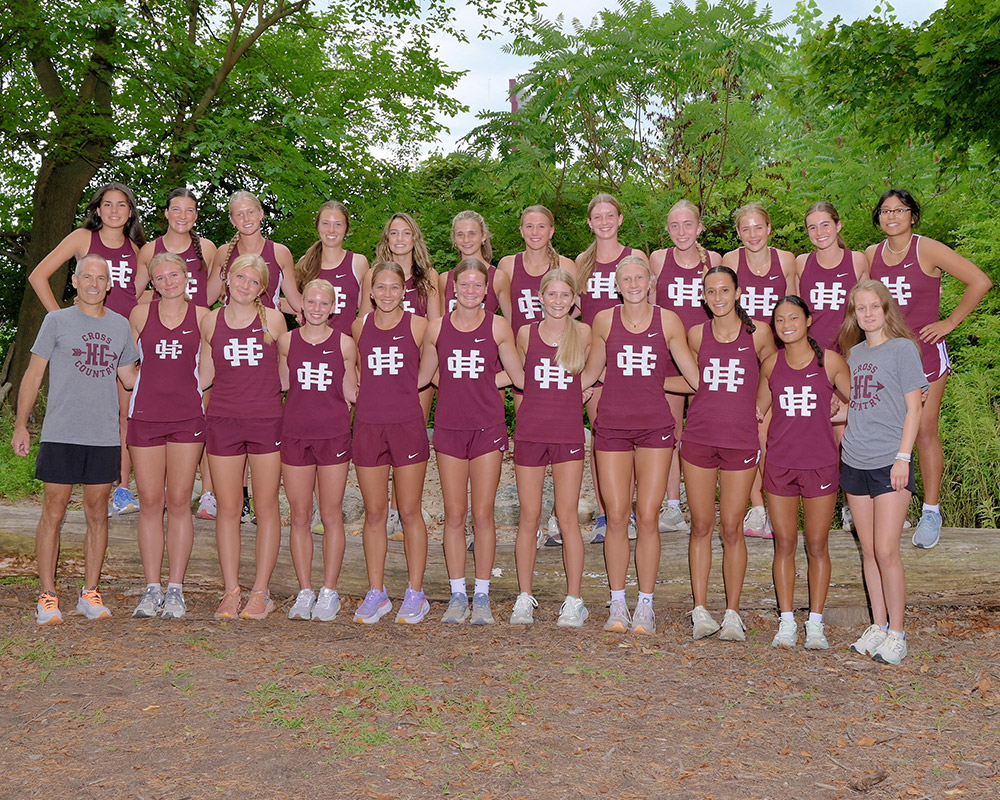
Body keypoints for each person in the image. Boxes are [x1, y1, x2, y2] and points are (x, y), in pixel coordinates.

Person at [12, 254, 139, 624]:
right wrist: (22, 424)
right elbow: (34, 375)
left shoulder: (120, 326)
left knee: (98, 512)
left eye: (101, 278)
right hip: (62, 431)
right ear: (76, 281)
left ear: (109, 284)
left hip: (102, 434)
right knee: (54, 510)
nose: (94, 284)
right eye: (87, 277)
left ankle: (90, 593)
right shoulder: (56, 321)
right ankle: (48, 596)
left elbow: (129, 378)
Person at [579, 255, 699, 635]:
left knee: (647, 516)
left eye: (639, 278)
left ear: (650, 282)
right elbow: (590, 373)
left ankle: (645, 604)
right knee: (616, 516)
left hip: (655, 428)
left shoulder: (668, 321)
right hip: (612, 425)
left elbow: (695, 379)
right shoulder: (603, 321)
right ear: (617, 285)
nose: (632, 284)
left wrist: (654, 384)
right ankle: (617, 603)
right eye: (625, 278)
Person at [866, 189, 992, 549]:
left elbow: (980, 281)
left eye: (900, 210)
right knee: (888, 434)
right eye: (885, 211)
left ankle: (931, 510)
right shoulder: (873, 254)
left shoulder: (928, 249)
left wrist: (950, 322)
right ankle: (894, 508)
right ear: (878, 218)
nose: (892, 216)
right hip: (885, 358)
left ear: (913, 216)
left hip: (924, 357)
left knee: (923, 430)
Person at [27, 182, 147, 515]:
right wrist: (61, 321)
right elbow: (39, 276)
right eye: (106, 204)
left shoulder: (138, 249)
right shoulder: (82, 238)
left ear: (130, 212)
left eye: (121, 205)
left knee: (124, 418)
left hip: (123, 340)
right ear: (96, 209)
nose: (113, 211)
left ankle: (121, 490)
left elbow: (139, 295)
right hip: (85, 341)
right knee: (80, 412)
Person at [418, 258, 524, 625]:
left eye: (478, 285)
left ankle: (482, 594)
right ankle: (457, 593)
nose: (470, 290)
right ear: (453, 289)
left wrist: (479, 382)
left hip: (487, 426)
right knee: (454, 514)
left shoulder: (498, 327)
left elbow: (518, 377)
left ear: (486, 291)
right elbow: (425, 376)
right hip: (448, 427)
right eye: (464, 284)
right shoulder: (436, 327)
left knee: (482, 513)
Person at [682, 266, 776, 641]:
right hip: (699, 438)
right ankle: (701, 609)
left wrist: (762, 404)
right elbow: (686, 376)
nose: (718, 297)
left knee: (732, 528)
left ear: (737, 292)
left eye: (724, 290)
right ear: (703, 296)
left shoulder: (759, 334)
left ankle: (733, 612)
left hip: (740, 439)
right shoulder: (694, 334)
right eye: (711, 291)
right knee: (702, 525)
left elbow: (774, 369)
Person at [838, 280, 927, 665]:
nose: (868, 314)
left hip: (891, 461)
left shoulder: (903, 350)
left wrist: (903, 458)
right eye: (861, 309)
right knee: (869, 549)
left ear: (886, 309)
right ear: (855, 314)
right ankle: (877, 624)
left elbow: (913, 409)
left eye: (874, 307)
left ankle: (897, 632)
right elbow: (858, 404)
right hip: (855, 458)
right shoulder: (853, 354)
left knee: (888, 550)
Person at [757, 296, 850, 649]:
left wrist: (840, 412)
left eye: (793, 317)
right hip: (780, 464)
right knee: (785, 543)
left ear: (809, 320)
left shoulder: (830, 362)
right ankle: (785, 622)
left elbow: (859, 401)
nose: (786, 324)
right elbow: (758, 412)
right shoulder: (771, 364)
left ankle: (815, 623)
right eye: (779, 320)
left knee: (816, 544)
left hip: (821, 464)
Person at [199, 253, 288, 619]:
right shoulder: (210, 321)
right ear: (228, 279)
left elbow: (287, 375)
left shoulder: (276, 321)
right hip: (223, 420)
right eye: (240, 278)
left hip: (267, 420)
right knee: (228, 508)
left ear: (262, 289)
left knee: (266, 507)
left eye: (254, 282)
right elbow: (203, 377)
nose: (245, 285)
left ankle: (261, 592)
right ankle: (231, 590)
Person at [127, 253, 209, 619]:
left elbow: (210, 369)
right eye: (160, 277)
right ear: (152, 282)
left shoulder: (204, 316)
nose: (168, 281)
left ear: (186, 275)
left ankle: (175, 588)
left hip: (187, 417)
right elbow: (126, 364)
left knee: (178, 500)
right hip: (145, 415)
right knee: (148, 500)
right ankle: (151, 588)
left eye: (174, 274)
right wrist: (136, 384)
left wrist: (192, 392)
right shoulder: (141, 314)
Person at [351, 262, 431, 624]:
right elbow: (351, 367)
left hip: (406, 425)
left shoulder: (418, 325)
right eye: (379, 288)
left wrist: (408, 400)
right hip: (368, 425)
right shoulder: (359, 326)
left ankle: (416, 592)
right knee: (374, 513)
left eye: (393, 288)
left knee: (410, 511)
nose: (386, 294)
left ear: (404, 291)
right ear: (370, 292)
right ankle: (377, 591)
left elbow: (433, 369)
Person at [510, 269, 591, 627]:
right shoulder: (526, 333)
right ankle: (524, 596)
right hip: (531, 433)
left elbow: (595, 374)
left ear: (574, 299)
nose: (558, 301)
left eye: (565, 295)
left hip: (568, 434)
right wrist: (524, 416)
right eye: (552, 294)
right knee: (529, 518)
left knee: (568, 516)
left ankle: (574, 599)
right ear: (540, 297)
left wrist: (582, 393)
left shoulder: (584, 333)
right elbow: (518, 382)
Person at [137, 188, 220, 521]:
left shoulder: (208, 248)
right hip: (162, 335)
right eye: (176, 209)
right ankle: (132, 488)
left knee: (202, 414)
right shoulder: (150, 249)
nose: (182, 216)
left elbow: (215, 289)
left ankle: (209, 494)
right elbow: (135, 292)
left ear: (196, 215)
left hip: (198, 333)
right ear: (167, 213)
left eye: (189, 210)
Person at [279, 279, 358, 621]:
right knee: (299, 515)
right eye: (310, 301)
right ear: (302, 306)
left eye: (323, 303)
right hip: (295, 434)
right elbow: (280, 385)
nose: (315, 308)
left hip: (333, 436)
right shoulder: (286, 341)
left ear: (333, 307)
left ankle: (329, 590)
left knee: (330, 513)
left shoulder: (344, 344)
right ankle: (305, 590)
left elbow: (353, 393)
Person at [361, 212, 441, 537]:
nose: (399, 239)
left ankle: (401, 508)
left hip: (416, 367)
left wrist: (426, 367)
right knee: (380, 435)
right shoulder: (374, 273)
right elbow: (363, 323)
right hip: (382, 368)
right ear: (387, 239)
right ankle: (386, 512)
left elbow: (437, 326)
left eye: (406, 233)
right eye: (393, 233)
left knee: (410, 437)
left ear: (414, 238)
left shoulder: (428, 276)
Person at [576, 194, 649, 544]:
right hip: (595, 359)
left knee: (633, 438)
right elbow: (575, 313)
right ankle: (606, 513)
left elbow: (650, 308)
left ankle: (629, 512)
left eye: (610, 215)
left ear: (620, 219)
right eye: (597, 216)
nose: (604, 221)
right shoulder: (581, 262)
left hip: (631, 361)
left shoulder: (634, 258)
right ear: (589, 223)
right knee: (602, 439)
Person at [722, 203, 796, 540]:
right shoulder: (729, 261)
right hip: (741, 354)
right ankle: (758, 506)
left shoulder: (787, 260)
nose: (752, 235)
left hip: (777, 353)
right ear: (738, 233)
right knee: (752, 430)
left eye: (758, 227)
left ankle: (778, 501)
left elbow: (794, 308)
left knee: (777, 434)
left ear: (769, 228)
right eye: (745, 229)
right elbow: (721, 309)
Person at [650, 199, 721, 535]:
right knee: (671, 431)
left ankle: (707, 506)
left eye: (688, 224)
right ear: (667, 229)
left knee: (710, 432)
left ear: (700, 227)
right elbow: (649, 307)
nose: (682, 231)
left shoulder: (715, 261)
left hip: (707, 354)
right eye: (675, 225)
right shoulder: (658, 259)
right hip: (669, 357)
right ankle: (673, 506)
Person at [210, 190, 301, 314]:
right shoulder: (223, 253)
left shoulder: (279, 253)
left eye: (251, 212)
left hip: (268, 329)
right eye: (239, 215)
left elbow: (295, 301)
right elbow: (206, 298)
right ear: (232, 220)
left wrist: (321, 308)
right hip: (231, 329)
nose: (246, 219)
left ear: (261, 214)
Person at [498, 205, 577, 337]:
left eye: (541, 226)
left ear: (551, 231)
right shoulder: (508, 265)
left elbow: (582, 304)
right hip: (519, 347)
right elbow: (506, 312)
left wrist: (562, 321)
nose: (535, 232)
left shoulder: (565, 265)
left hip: (557, 345)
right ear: (521, 231)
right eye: (529, 226)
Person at [293, 201, 369, 336]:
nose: (331, 230)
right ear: (318, 227)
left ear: (346, 229)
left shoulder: (357, 262)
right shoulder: (305, 262)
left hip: (346, 347)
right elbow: (297, 301)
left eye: (338, 224)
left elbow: (366, 309)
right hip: (311, 344)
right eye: (325, 223)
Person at [440, 210, 512, 317]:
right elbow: (440, 323)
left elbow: (510, 323)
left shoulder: (498, 278)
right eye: (460, 235)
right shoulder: (444, 279)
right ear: (454, 238)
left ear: (483, 236)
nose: (466, 240)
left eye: (472, 234)